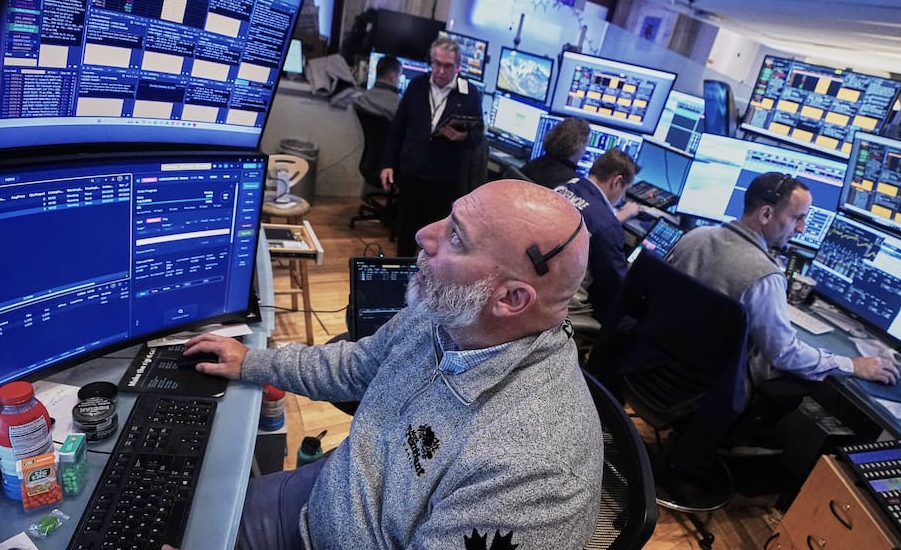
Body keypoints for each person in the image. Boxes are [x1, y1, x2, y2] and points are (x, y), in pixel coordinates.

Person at [176, 180, 603, 550]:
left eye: (457, 237)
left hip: (327, 528)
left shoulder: (534, 473)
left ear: (511, 299)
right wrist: (254, 361)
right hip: (330, 489)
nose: (423, 235)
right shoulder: (448, 312)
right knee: (177, 513)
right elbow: (357, 366)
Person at [666, 172, 899, 401]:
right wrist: (851, 365)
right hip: (709, 387)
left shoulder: (695, 236)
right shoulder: (765, 276)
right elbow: (784, 354)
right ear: (766, 214)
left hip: (658, 362)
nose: (802, 228)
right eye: (797, 217)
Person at [379, 36, 484, 257]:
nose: (441, 71)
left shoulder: (469, 93)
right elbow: (398, 127)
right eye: (436, 63)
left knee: (437, 239)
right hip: (412, 171)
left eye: (447, 66)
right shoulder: (417, 85)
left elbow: (478, 136)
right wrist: (388, 163)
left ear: (458, 67)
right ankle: (402, 279)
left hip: (444, 177)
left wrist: (462, 137)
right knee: (406, 232)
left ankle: (430, 283)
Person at [555, 148, 641, 324]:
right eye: (624, 190)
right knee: (631, 323)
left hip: (536, 281)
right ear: (617, 181)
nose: (622, 197)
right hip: (566, 304)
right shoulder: (607, 225)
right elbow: (615, 290)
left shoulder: (565, 186)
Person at [520, 116, 590, 189]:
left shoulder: (532, 165)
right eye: (585, 146)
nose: (584, 151)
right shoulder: (571, 185)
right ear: (577, 146)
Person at [354, 54, 402, 121]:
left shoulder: (359, 98)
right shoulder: (399, 107)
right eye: (399, 77)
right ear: (392, 77)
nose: (399, 81)